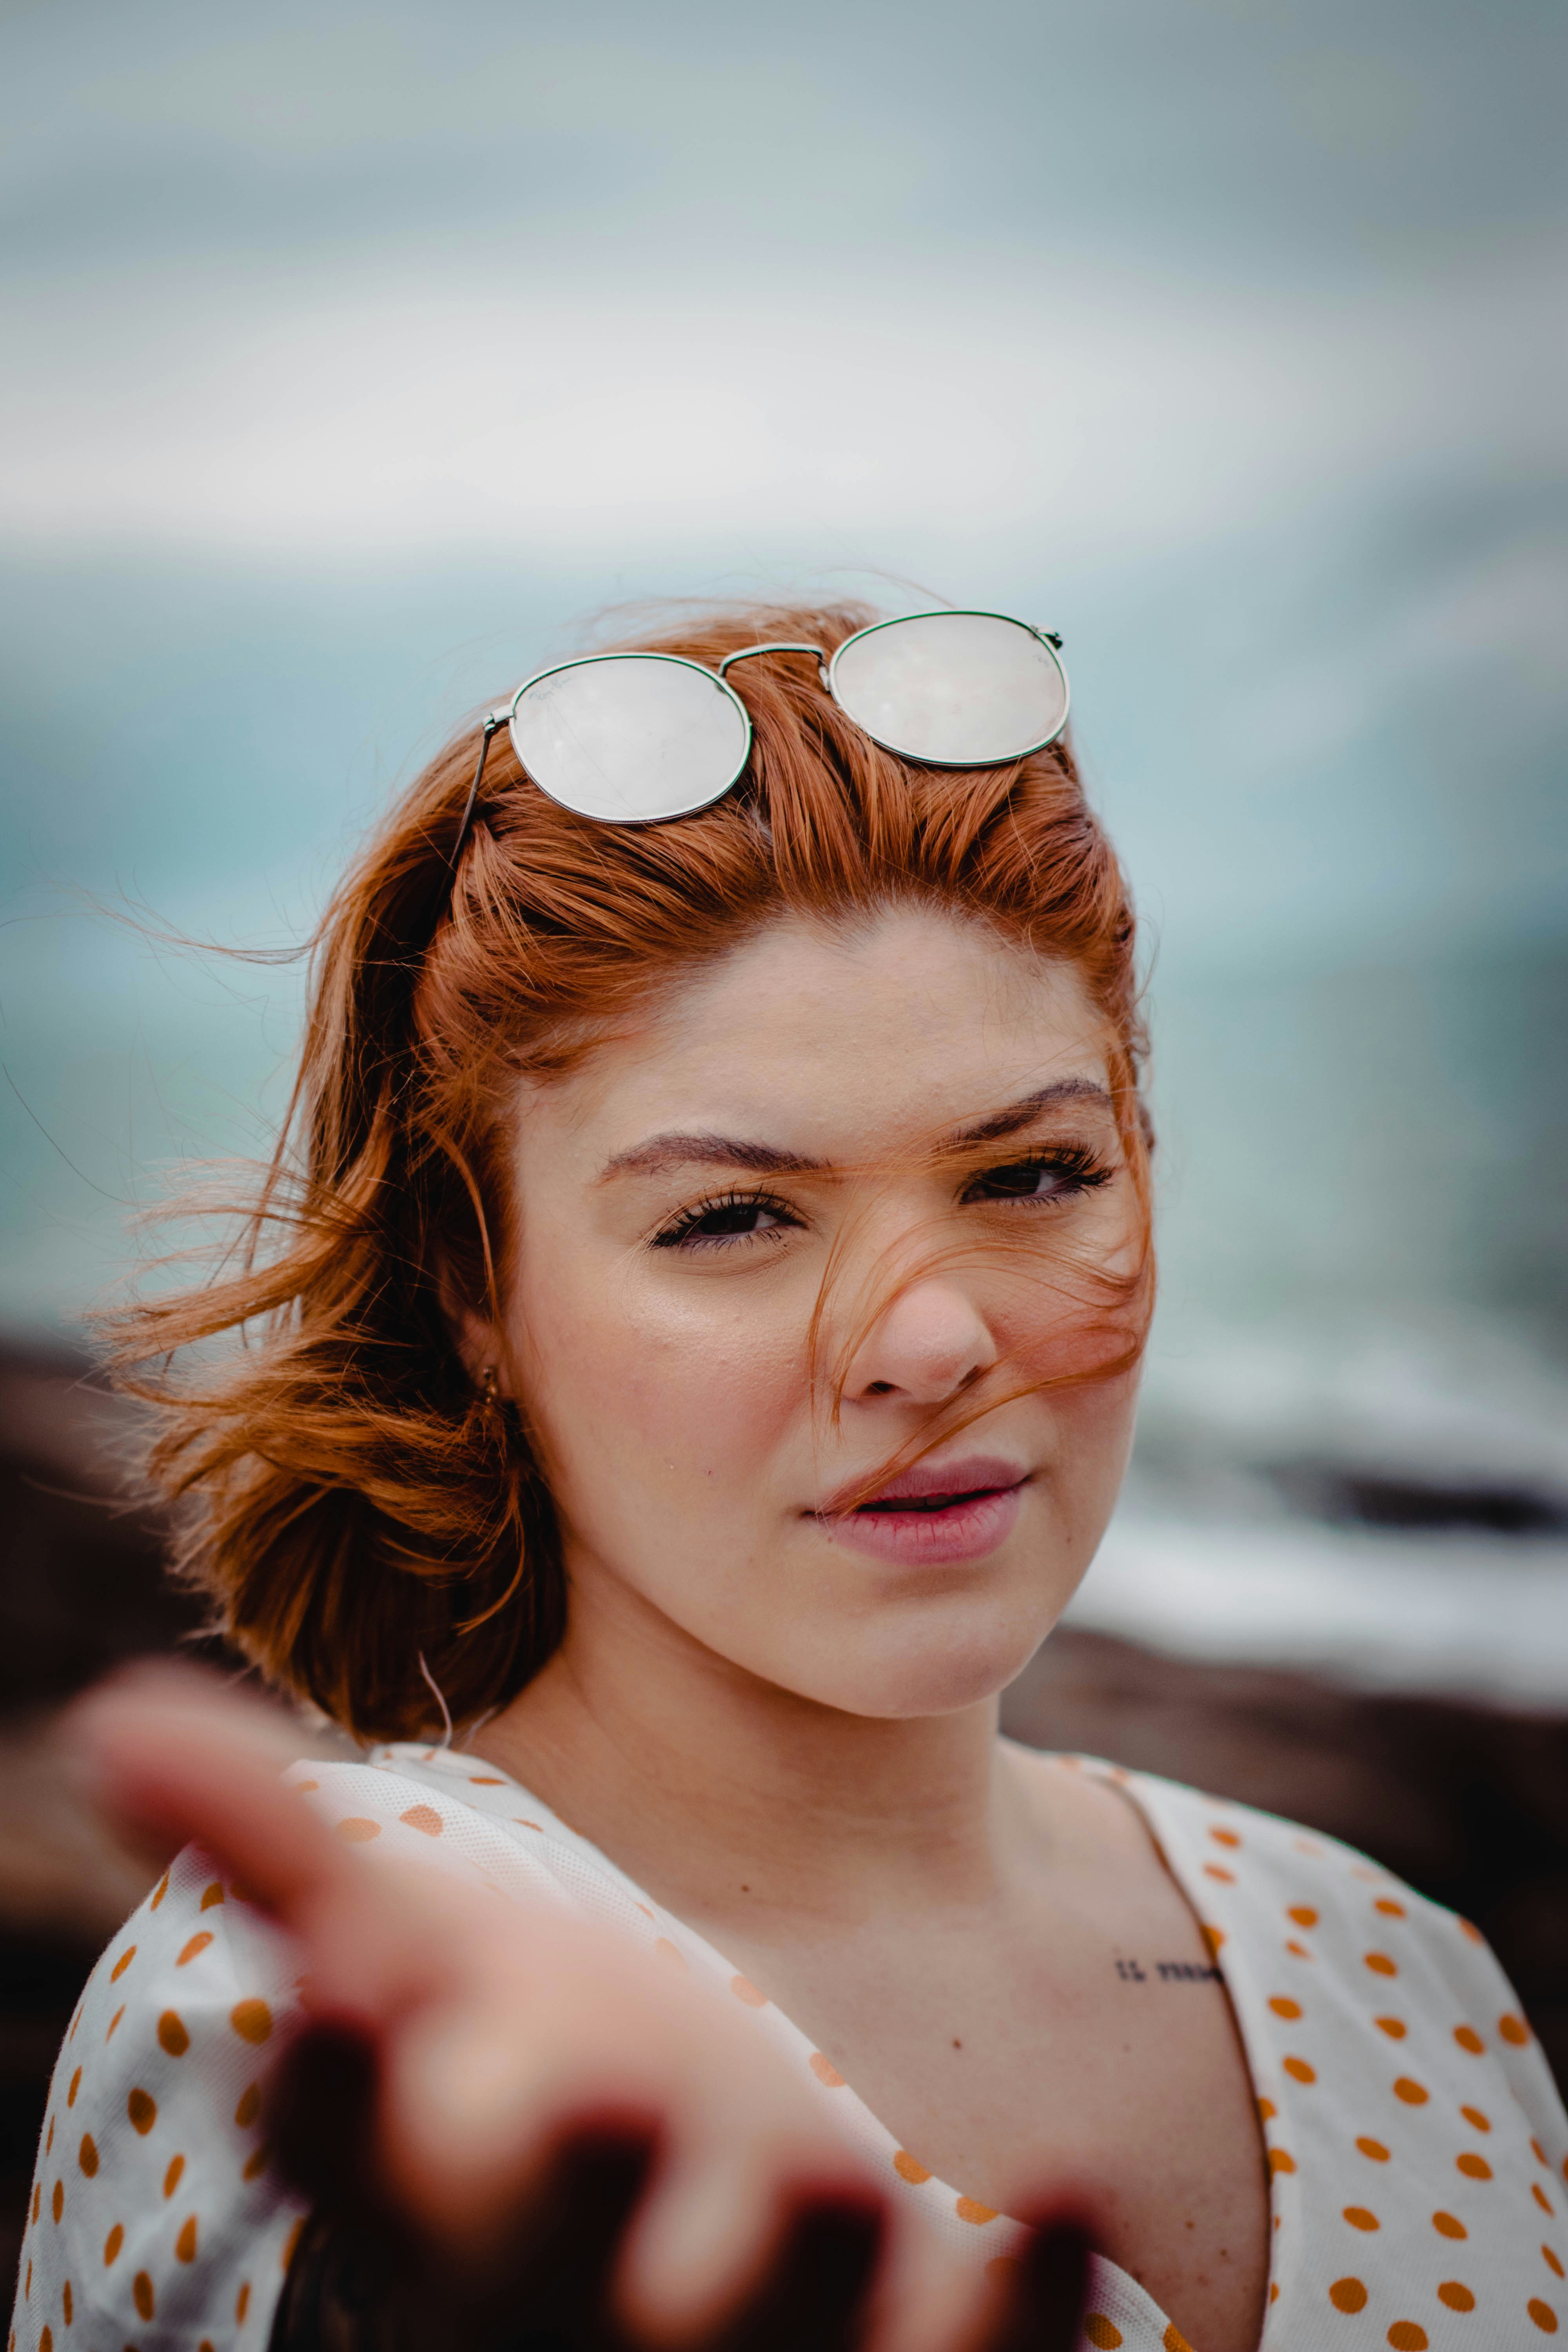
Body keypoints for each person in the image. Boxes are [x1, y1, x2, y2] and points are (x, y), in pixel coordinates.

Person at [13, 604, 1566, 2352]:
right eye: (731, 1216)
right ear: (475, 1291)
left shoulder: (1399, 1976)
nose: (926, 1341)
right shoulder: (349, 1988)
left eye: (1035, 1177)